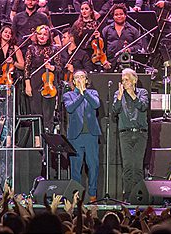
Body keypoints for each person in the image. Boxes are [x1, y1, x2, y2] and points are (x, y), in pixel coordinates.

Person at [63, 70, 101, 202]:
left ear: (86, 80)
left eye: (82, 77)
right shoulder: (68, 95)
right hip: (76, 136)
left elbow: (96, 104)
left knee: (93, 166)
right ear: (73, 82)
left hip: (91, 135)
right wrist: (80, 94)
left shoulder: (93, 93)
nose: (79, 79)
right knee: (75, 167)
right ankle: (76, 195)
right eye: (77, 77)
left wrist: (84, 92)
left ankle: (92, 194)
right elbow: (70, 108)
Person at [112, 68, 149, 201]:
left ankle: (138, 197)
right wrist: (119, 97)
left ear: (134, 80)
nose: (124, 82)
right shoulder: (118, 93)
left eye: (127, 79)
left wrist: (132, 94)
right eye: (122, 80)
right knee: (127, 167)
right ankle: (127, 197)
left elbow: (143, 106)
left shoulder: (142, 93)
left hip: (140, 134)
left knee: (137, 168)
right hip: (125, 134)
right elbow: (114, 111)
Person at [24, 25, 61, 140]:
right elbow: (27, 68)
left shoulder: (54, 49)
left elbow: (60, 67)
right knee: (36, 112)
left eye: (45, 34)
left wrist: (51, 67)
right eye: (40, 34)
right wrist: (27, 84)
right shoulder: (31, 48)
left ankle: (48, 140)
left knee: (48, 113)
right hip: (35, 83)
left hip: (49, 83)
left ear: (49, 36)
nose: (42, 36)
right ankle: (37, 140)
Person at [101, 3, 142, 71]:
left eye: (121, 14)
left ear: (125, 15)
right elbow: (102, 48)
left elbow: (139, 45)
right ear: (113, 16)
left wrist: (130, 49)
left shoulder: (133, 30)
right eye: (116, 15)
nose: (119, 16)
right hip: (110, 64)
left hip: (127, 64)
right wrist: (104, 61)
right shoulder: (106, 30)